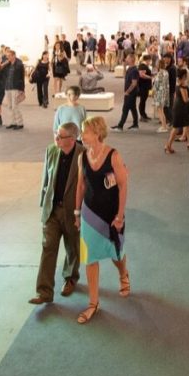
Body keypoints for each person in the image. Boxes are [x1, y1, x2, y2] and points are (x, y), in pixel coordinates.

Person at [74, 116, 130, 324]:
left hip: (111, 214)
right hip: (89, 214)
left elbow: (123, 185)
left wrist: (120, 216)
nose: (82, 135)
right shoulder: (82, 157)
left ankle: (123, 274)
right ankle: (93, 303)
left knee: (116, 253)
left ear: (97, 133)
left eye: (85, 132)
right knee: (90, 257)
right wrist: (77, 213)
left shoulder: (114, 156)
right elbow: (81, 185)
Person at [30, 122, 84, 305]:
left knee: (73, 248)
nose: (56, 138)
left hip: (73, 212)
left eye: (60, 136)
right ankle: (44, 292)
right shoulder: (51, 150)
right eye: (56, 134)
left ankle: (70, 278)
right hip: (52, 210)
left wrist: (82, 213)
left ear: (72, 139)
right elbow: (45, 179)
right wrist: (43, 204)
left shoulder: (83, 154)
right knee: (48, 248)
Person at [165, 69, 189, 154]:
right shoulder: (182, 86)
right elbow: (185, 99)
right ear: (184, 76)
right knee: (176, 128)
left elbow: (175, 96)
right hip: (181, 108)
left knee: (188, 125)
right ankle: (168, 146)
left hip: (178, 107)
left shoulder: (178, 83)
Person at [112, 54, 140, 131]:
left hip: (131, 93)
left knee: (125, 109)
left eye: (127, 58)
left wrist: (127, 91)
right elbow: (124, 76)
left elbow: (134, 83)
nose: (126, 59)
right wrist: (124, 67)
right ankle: (135, 124)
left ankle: (120, 126)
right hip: (129, 92)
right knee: (133, 108)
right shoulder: (129, 68)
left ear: (131, 59)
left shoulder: (134, 70)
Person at [2, 49, 25, 130]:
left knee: (15, 106)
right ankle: (13, 122)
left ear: (13, 55)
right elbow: (1, 69)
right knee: (9, 106)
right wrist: (5, 63)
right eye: (7, 56)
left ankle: (20, 123)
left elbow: (22, 77)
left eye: (9, 56)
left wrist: (22, 89)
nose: (7, 57)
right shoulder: (7, 64)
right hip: (7, 87)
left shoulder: (19, 64)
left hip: (15, 87)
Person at [152, 58, 171, 133]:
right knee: (162, 110)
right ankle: (164, 125)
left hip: (159, 94)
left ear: (159, 65)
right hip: (164, 93)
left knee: (160, 111)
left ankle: (163, 127)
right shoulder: (166, 72)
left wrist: (153, 92)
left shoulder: (160, 73)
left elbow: (156, 85)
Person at [137, 54, 154, 122]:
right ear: (147, 60)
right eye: (150, 60)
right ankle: (142, 115)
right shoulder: (142, 66)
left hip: (146, 86)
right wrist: (150, 77)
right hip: (143, 86)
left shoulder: (145, 66)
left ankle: (144, 114)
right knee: (142, 101)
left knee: (144, 101)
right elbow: (141, 75)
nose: (150, 62)